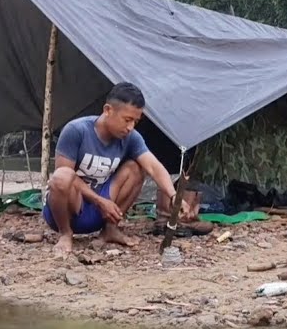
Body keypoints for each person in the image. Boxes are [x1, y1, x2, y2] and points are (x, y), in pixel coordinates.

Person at [42, 82, 193, 254]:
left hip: (104, 211)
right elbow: (64, 177)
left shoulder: (131, 138)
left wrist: (173, 196)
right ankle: (65, 234)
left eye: (135, 121)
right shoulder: (76, 130)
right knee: (61, 177)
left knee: (136, 168)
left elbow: (153, 166)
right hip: (67, 210)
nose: (130, 127)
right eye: (127, 120)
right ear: (108, 110)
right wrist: (100, 201)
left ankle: (110, 229)